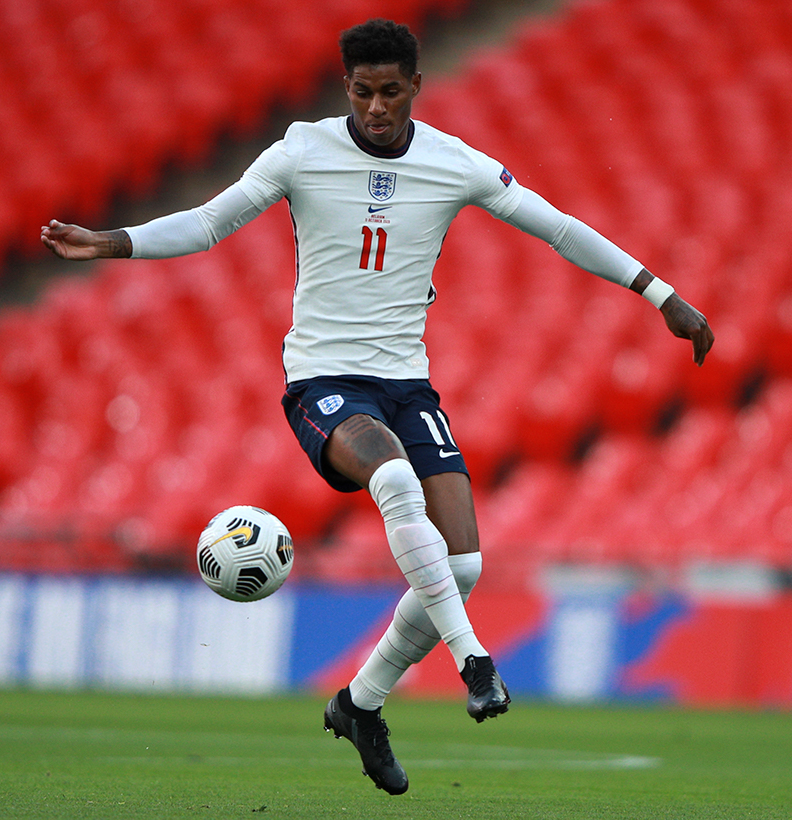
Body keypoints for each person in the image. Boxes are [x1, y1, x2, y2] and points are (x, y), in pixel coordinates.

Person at [41, 18, 713, 796]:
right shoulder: (302, 150)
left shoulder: (453, 162)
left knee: (462, 564)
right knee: (393, 481)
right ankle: (475, 663)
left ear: (416, 88)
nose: (376, 108)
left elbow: (556, 229)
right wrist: (111, 241)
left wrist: (658, 293)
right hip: (322, 380)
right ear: (347, 88)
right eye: (362, 92)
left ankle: (359, 704)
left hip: (406, 383)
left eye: (391, 91)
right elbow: (209, 223)